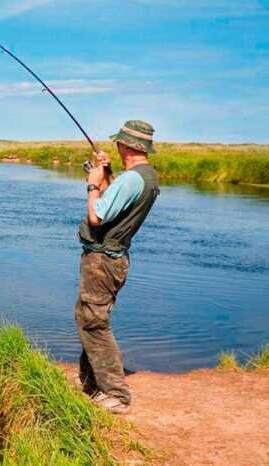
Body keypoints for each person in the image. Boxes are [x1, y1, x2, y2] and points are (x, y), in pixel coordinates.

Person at [75, 120, 160, 414]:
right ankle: (91, 381)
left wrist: (92, 183)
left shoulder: (133, 179)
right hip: (111, 259)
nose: (116, 146)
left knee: (94, 322)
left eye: (119, 142)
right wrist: (106, 174)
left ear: (128, 145)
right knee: (87, 316)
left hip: (103, 261)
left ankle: (116, 395)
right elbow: (115, 203)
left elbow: (98, 216)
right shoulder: (144, 177)